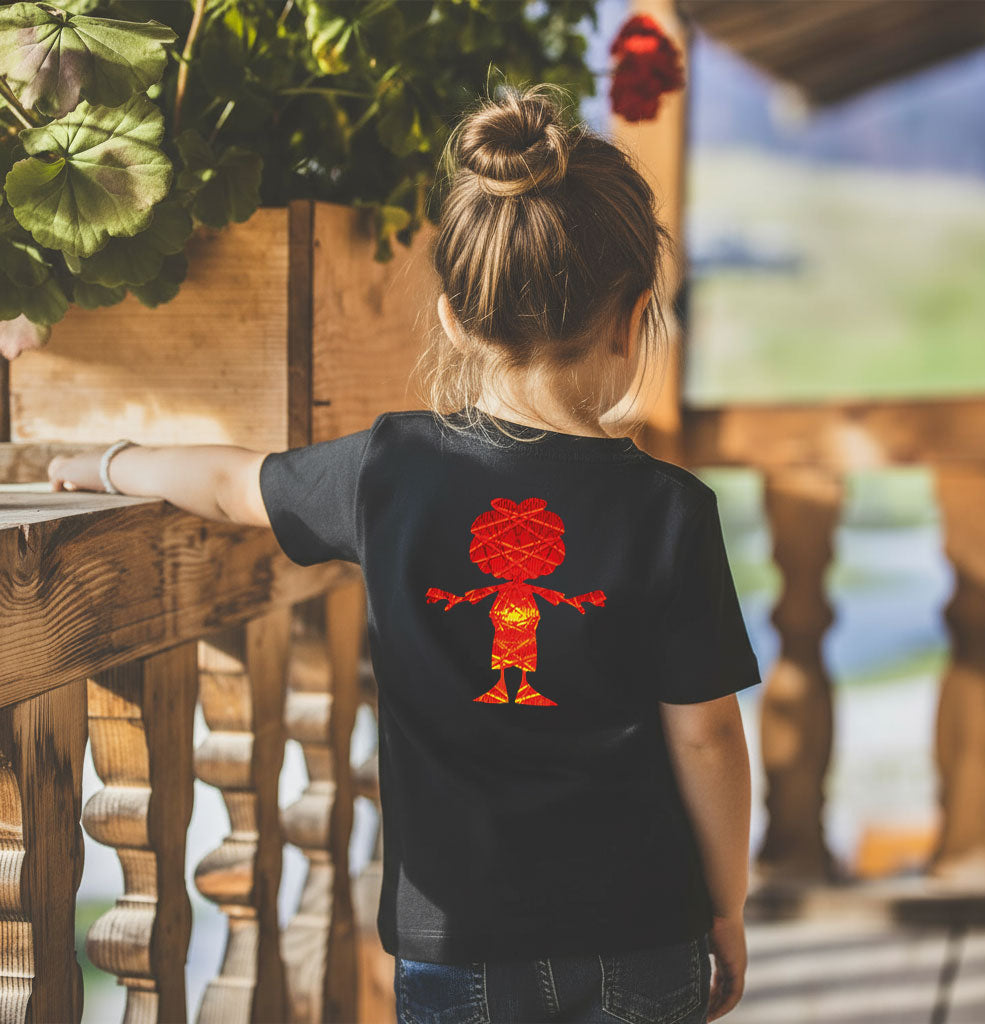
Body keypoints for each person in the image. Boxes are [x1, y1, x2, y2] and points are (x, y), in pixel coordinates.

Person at [48, 81, 759, 1024]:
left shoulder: (391, 468)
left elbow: (228, 482)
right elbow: (707, 738)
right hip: (641, 934)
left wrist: (106, 461)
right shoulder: (673, 512)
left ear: (456, 318)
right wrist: (726, 904)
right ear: (635, 321)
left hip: (456, 945)